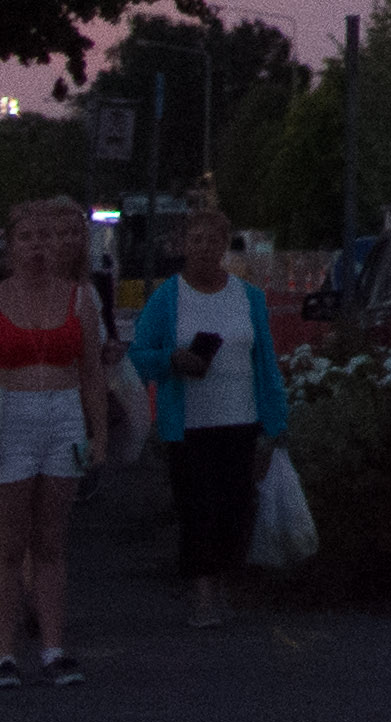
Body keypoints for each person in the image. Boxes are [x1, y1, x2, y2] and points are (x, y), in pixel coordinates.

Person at [0, 195, 138, 683]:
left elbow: (90, 372)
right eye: (26, 238)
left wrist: (99, 435)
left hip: (62, 413)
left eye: (46, 237)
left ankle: (53, 648)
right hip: (11, 415)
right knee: (9, 542)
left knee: (51, 540)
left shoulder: (77, 300)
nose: (38, 247)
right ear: (11, 246)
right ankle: (5, 653)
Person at [123, 199, 291, 630]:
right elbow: (140, 355)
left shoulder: (248, 297)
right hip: (190, 422)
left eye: (211, 240)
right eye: (194, 240)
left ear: (223, 245)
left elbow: (265, 360)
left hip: (240, 416)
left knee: (235, 506)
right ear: (184, 245)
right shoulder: (168, 297)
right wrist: (173, 360)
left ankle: (227, 586)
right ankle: (202, 594)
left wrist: (275, 423)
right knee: (198, 507)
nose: (202, 248)